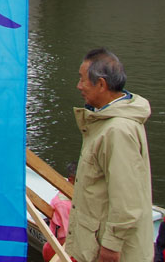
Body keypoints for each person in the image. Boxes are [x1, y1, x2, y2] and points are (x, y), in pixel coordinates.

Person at [66, 47, 153, 262]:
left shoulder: (117, 131)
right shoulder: (106, 123)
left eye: (82, 80)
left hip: (113, 251)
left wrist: (112, 246)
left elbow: (127, 196)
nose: (79, 86)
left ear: (102, 84)